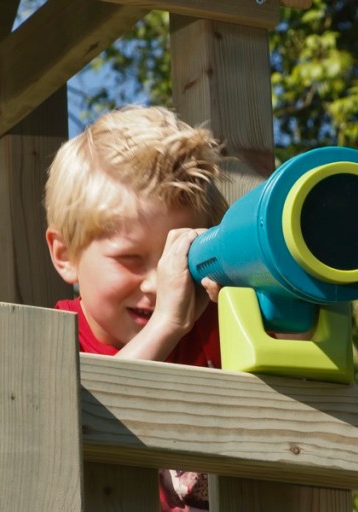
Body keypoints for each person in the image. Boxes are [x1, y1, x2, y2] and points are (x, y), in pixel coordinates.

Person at [44, 105, 229, 512]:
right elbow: (69, 426)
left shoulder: (218, 324)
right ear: (65, 254)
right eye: (130, 259)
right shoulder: (54, 345)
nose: (158, 282)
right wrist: (166, 325)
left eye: (177, 256)